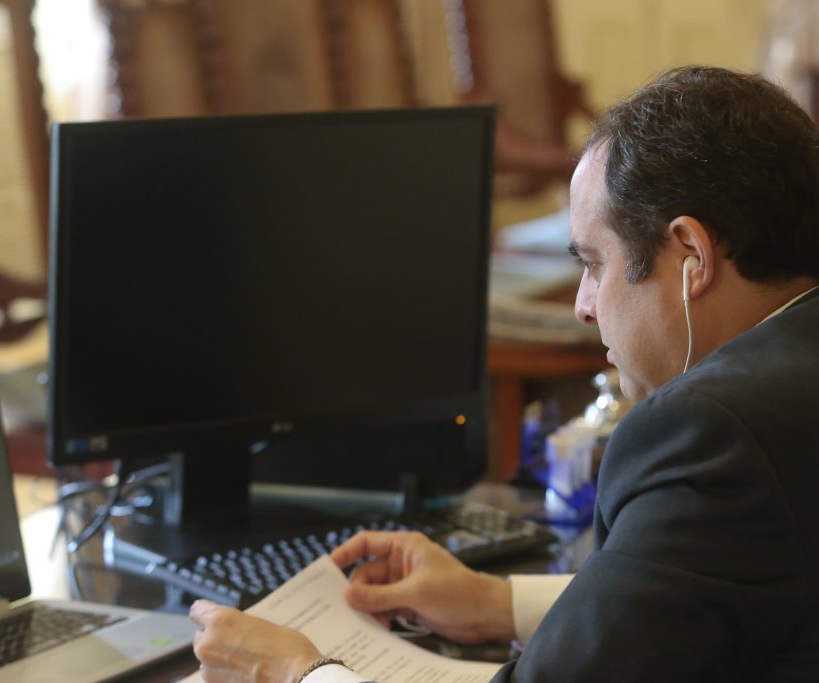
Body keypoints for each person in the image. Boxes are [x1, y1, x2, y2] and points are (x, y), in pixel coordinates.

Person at [189, 65, 819, 682]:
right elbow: (711, 591)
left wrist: (293, 671)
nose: (583, 305)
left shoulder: (712, 431)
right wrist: (493, 603)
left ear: (692, 256)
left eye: (594, 264)